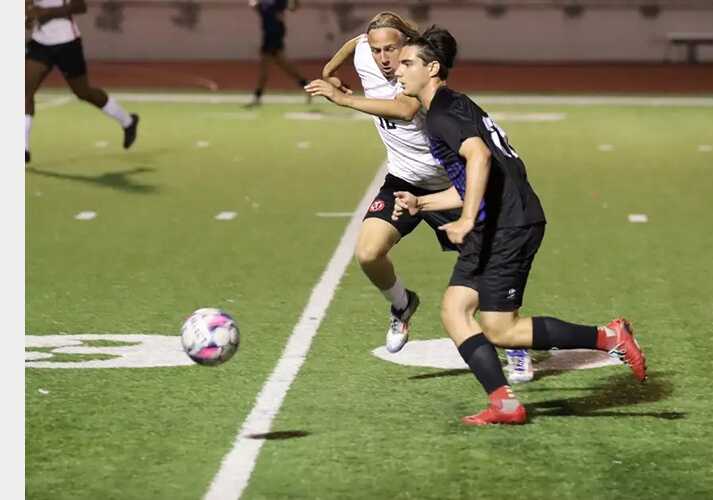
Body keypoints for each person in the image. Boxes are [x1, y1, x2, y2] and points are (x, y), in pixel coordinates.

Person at [392, 26, 648, 425]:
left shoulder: (442, 113)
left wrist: (463, 220)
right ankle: (517, 394)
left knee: (481, 322)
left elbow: (479, 159)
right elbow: (471, 181)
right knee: (476, 319)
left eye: (408, 63)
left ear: (433, 68)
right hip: (504, 220)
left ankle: (594, 346)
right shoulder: (453, 106)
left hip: (505, 225)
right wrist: (422, 201)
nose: (398, 70)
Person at [304, 13, 536, 381]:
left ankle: (516, 343)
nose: (383, 57)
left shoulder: (415, 77)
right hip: (404, 181)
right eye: (377, 49)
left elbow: (405, 109)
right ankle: (402, 305)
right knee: (368, 252)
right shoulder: (367, 50)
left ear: (407, 47)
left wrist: (342, 99)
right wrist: (332, 68)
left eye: (391, 49)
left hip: (452, 188)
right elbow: (353, 45)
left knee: (490, 275)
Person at [25, 0, 139, 163]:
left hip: (67, 42)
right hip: (40, 43)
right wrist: (28, 16)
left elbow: (80, 6)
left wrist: (48, 12)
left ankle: (128, 121)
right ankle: (23, 148)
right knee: (24, 91)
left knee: (83, 92)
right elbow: (29, 6)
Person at [244, 0, 309, 108]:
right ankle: (306, 84)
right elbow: (253, 5)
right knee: (283, 65)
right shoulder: (263, 3)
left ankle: (257, 97)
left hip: (274, 36)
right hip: (268, 36)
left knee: (266, 68)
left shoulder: (278, 2)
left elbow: (293, 7)